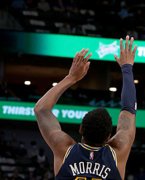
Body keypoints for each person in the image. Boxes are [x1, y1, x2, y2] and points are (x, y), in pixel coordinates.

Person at [34, 35, 137, 180]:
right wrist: (127, 68)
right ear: (109, 137)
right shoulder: (118, 151)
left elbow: (41, 109)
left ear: (81, 128)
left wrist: (71, 77)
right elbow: (129, 110)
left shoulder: (64, 149)